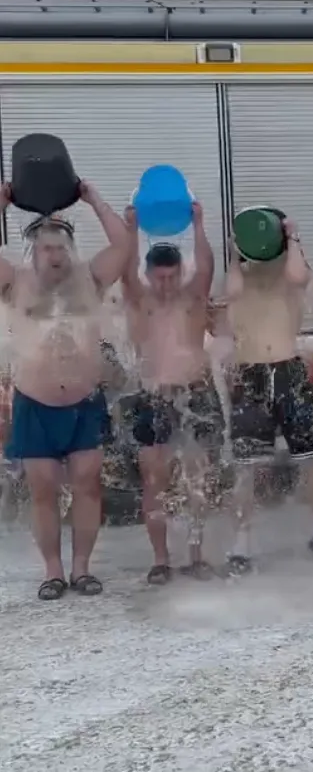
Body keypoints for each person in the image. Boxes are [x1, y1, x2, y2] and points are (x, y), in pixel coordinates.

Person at [0, 182, 129, 600]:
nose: (55, 254)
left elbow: (124, 245)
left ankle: (82, 569)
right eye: (46, 248)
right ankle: (53, 571)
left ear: (71, 249)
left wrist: (93, 199)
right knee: (43, 490)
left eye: (61, 247)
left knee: (88, 485)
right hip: (34, 402)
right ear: (33, 251)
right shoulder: (15, 283)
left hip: (84, 401)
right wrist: (2, 202)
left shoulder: (91, 278)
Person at [224, 215, 313, 570]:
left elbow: (298, 276)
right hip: (250, 375)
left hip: (289, 370)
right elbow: (230, 293)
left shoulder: (291, 271)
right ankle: (242, 546)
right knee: (246, 467)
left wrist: (293, 236)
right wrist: (235, 253)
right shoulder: (239, 277)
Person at [120, 201, 222, 583]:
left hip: (195, 393)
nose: (165, 284)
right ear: (149, 274)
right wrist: (131, 230)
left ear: (181, 273)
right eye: (159, 277)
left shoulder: (193, 298)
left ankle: (196, 555)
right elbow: (125, 269)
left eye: (172, 276)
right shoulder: (140, 300)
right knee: (155, 480)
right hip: (153, 396)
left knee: (197, 477)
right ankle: (161, 560)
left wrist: (199, 223)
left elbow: (207, 266)